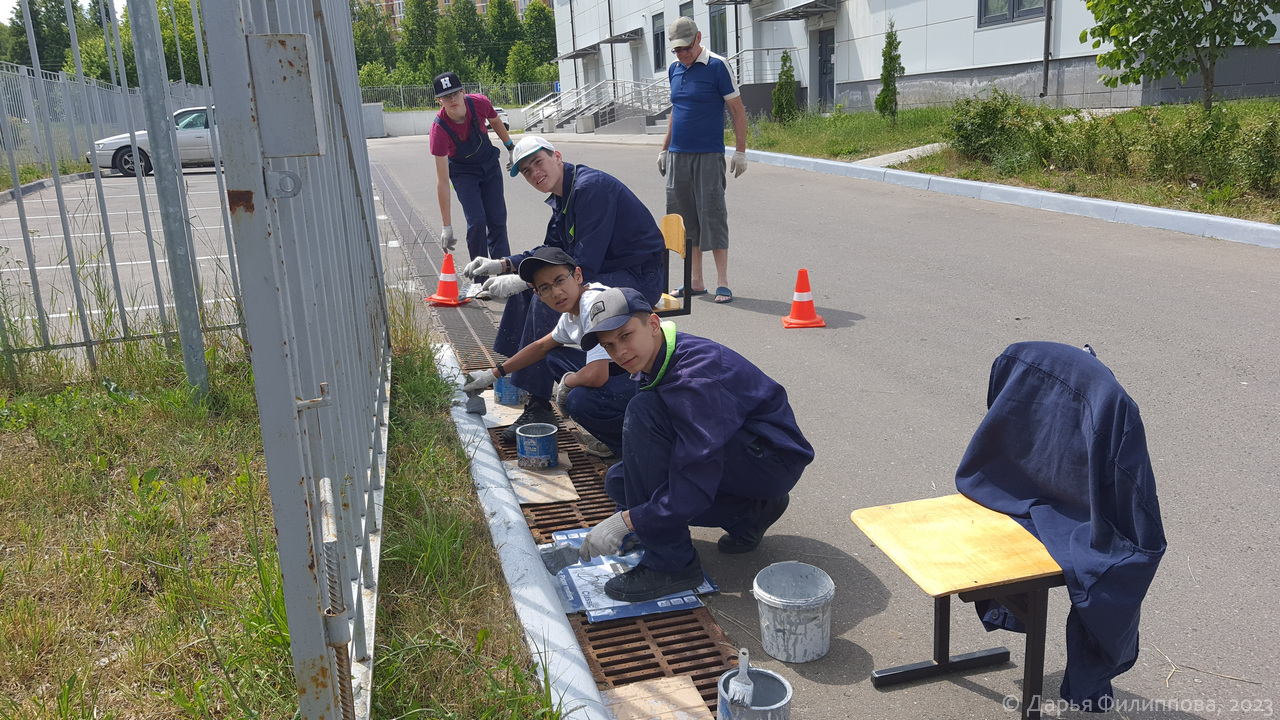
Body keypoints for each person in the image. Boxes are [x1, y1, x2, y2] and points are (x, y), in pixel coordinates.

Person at [575, 287, 815, 602]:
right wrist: (629, 518)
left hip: (771, 459)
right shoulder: (656, 356)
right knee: (621, 483)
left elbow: (695, 479)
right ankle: (752, 512)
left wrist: (629, 521)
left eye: (625, 335)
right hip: (746, 450)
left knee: (644, 412)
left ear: (652, 324)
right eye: (609, 345)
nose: (619, 351)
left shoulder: (695, 377)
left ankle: (673, 564)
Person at [462, 136, 666, 444]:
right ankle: (517, 374)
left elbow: (583, 264)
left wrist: (527, 280)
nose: (535, 173)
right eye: (527, 171)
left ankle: (538, 404)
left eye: (538, 163)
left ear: (557, 156)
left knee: (546, 299)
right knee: (529, 293)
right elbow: (550, 253)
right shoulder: (564, 194)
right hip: (607, 269)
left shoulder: (589, 189)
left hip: (638, 277)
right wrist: (504, 264)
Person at [459, 247, 636, 456]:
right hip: (629, 370)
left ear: (577, 275)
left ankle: (627, 442)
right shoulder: (571, 314)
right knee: (554, 356)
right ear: (538, 294)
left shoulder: (593, 305)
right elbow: (541, 346)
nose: (556, 292)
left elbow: (597, 375)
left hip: (649, 380)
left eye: (560, 280)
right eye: (545, 288)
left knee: (578, 400)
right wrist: (493, 373)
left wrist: (567, 383)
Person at [658, 16, 749, 304]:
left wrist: (741, 151)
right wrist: (664, 148)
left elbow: (737, 111)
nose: (681, 54)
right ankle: (694, 281)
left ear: (698, 38)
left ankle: (723, 281)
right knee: (685, 221)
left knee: (712, 215)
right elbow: (676, 111)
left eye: (685, 48)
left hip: (708, 155)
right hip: (678, 156)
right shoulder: (674, 70)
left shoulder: (717, 66)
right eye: (676, 50)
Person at [430, 71, 516, 284]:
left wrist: (511, 147)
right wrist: (446, 226)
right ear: (439, 100)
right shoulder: (439, 130)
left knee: (497, 220)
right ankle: (481, 280)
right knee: (477, 222)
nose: (452, 100)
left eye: (455, 93)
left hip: (489, 165)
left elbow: (496, 122)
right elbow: (442, 181)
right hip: (462, 173)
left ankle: (503, 275)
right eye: (446, 96)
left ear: (463, 92)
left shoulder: (478, 103)